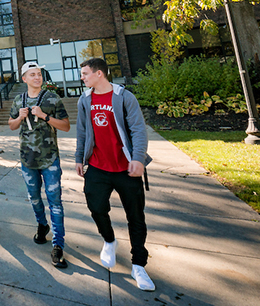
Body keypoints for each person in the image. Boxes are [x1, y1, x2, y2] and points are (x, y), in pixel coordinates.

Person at [75, 57, 155, 291]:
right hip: (98, 166)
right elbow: (82, 131)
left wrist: (138, 159)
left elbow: (139, 130)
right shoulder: (85, 99)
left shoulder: (124, 97)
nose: (82, 77)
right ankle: (109, 240)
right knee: (97, 208)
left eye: (85, 73)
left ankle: (139, 265)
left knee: (136, 217)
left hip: (126, 168)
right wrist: (80, 159)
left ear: (99, 74)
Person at [8, 62, 71, 268]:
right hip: (28, 160)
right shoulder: (19, 100)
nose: (37, 77)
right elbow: (11, 125)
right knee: (34, 198)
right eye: (32, 75)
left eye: (39, 74)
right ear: (24, 78)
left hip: (50, 159)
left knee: (55, 201)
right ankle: (42, 225)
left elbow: (66, 126)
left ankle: (58, 245)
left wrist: (44, 115)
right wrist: (20, 116)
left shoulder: (52, 98)